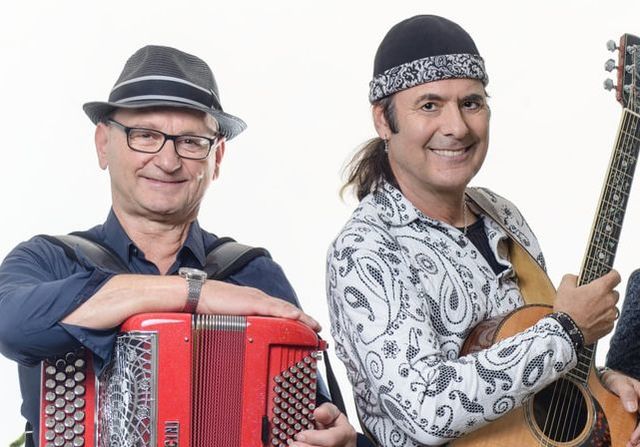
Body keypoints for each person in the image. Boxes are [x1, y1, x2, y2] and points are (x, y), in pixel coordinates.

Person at [0, 45, 359, 447]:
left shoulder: (252, 273)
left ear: (217, 158)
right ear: (103, 143)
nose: (168, 161)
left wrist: (338, 439)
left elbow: (316, 420)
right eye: (145, 135)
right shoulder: (48, 261)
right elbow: (9, 326)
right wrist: (196, 294)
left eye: (191, 142)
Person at [326, 15, 640, 446]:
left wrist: (602, 385)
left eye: (471, 103)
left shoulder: (502, 214)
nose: (457, 127)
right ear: (384, 119)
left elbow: (536, 368)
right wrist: (568, 330)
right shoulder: (363, 249)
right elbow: (427, 409)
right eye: (430, 105)